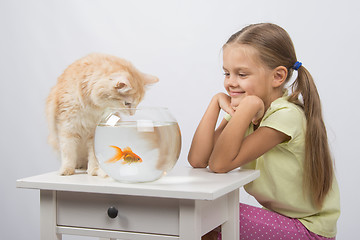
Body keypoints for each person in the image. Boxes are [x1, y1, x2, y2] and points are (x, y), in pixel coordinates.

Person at [188, 23, 340, 240]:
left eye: (241, 74)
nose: (230, 83)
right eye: (226, 73)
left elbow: (220, 164)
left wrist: (248, 106)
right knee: (201, 209)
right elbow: (198, 159)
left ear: (278, 77)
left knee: (210, 212)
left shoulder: (286, 115)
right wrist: (214, 103)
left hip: (308, 231)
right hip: (280, 222)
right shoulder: (244, 111)